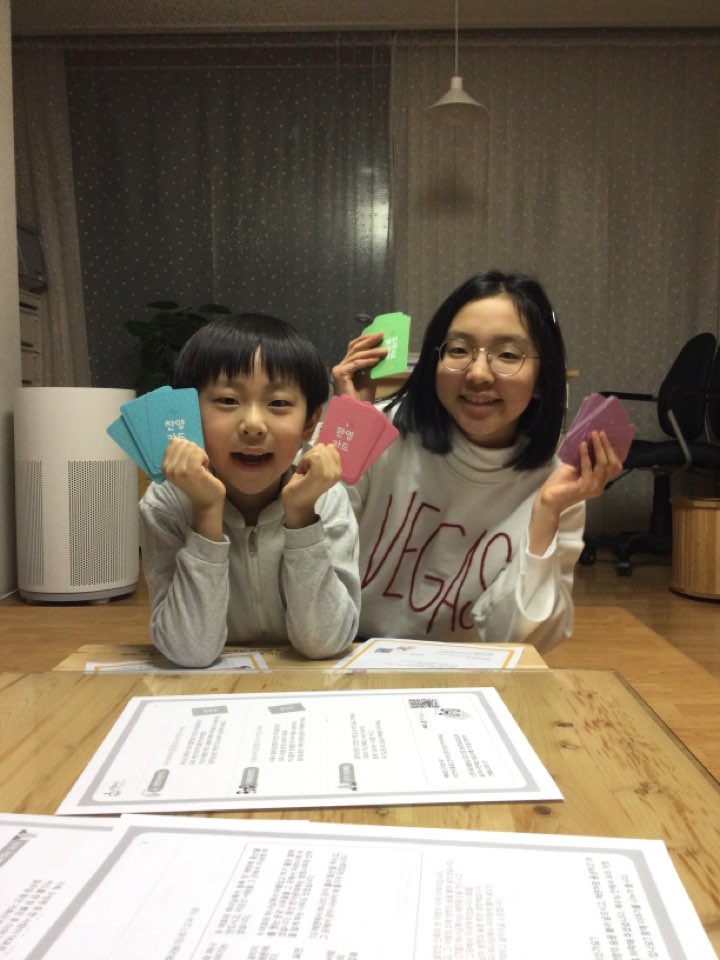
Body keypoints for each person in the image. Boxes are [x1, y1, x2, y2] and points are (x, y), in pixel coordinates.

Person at [332, 271, 622, 652]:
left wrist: (546, 512)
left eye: (508, 355)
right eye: (458, 350)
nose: (478, 374)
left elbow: (524, 641)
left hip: (465, 668)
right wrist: (347, 428)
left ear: (541, 379)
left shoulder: (558, 483)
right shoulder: (378, 427)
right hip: (346, 652)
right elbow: (304, 541)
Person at [140, 313, 360, 667]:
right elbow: (189, 650)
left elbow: (325, 642)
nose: (253, 425)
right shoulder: (168, 501)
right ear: (189, 415)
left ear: (309, 424)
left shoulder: (325, 495)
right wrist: (205, 511)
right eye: (228, 400)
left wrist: (302, 515)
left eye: (278, 403)